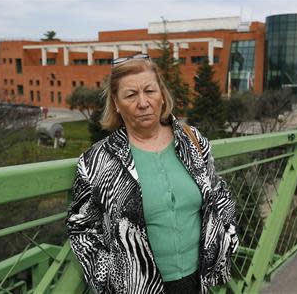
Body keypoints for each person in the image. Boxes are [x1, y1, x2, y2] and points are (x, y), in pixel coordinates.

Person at [66, 54, 238, 294]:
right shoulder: (97, 161)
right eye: (131, 95)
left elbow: (218, 192)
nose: (143, 102)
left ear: (162, 95)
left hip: (198, 281)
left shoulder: (192, 141)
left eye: (150, 91)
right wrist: (110, 280)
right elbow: (81, 227)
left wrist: (226, 241)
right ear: (116, 102)